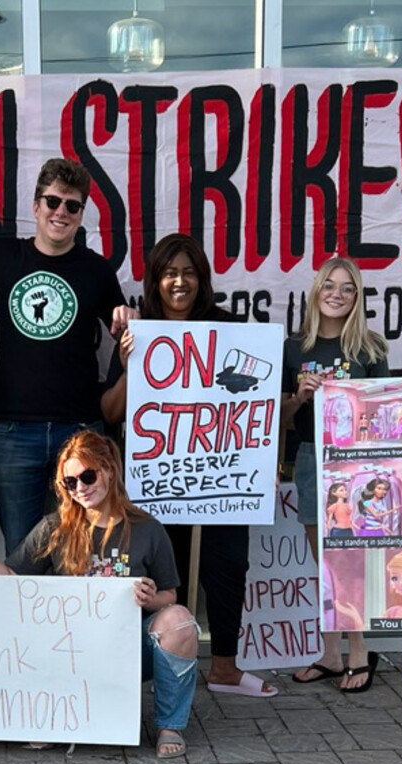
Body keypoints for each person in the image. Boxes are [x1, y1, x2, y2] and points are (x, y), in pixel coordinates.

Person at [0, 157, 137, 555]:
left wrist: (129, 319)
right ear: (36, 207)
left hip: (80, 432)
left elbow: (124, 339)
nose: (61, 212)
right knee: (20, 554)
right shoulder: (4, 255)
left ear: (81, 214)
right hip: (15, 434)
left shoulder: (97, 270)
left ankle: (73, 621)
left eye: (72, 206)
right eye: (53, 202)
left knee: (81, 551)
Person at [99, 233, 276, 698]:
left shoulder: (229, 328)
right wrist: (130, 365)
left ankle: (224, 668)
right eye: (169, 272)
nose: (179, 282)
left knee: (228, 566)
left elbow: (259, 398)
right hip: (161, 481)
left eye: (189, 272)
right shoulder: (141, 334)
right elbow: (111, 412)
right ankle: (157, 665)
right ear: (155, 281)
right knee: (159, 574)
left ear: (202, 279)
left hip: (223, 478)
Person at [0, 430, 199, 759]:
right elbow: (9, 580)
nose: (80, 488)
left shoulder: (146, 528)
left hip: (127, 650)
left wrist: (150, 598)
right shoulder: (55, 527)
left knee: (180, 622)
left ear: (110, 470)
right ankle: (56, 715)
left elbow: (170, 596)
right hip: (69, 652)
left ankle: (169, 724)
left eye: (87, 476)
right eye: (70, 482)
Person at [282, 257, 402, 693]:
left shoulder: (371, 348)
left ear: (357, 297)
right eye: (329, 285)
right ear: (316, 292)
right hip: (312, 458)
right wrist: (298, 397)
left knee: (349, 561)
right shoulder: (295, 349)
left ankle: (360, 652)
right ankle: (330, 655)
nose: (337, 294)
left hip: (357, 466)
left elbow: (386, 413)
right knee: (323, 566)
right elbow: (283, 419)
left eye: (347, 288)